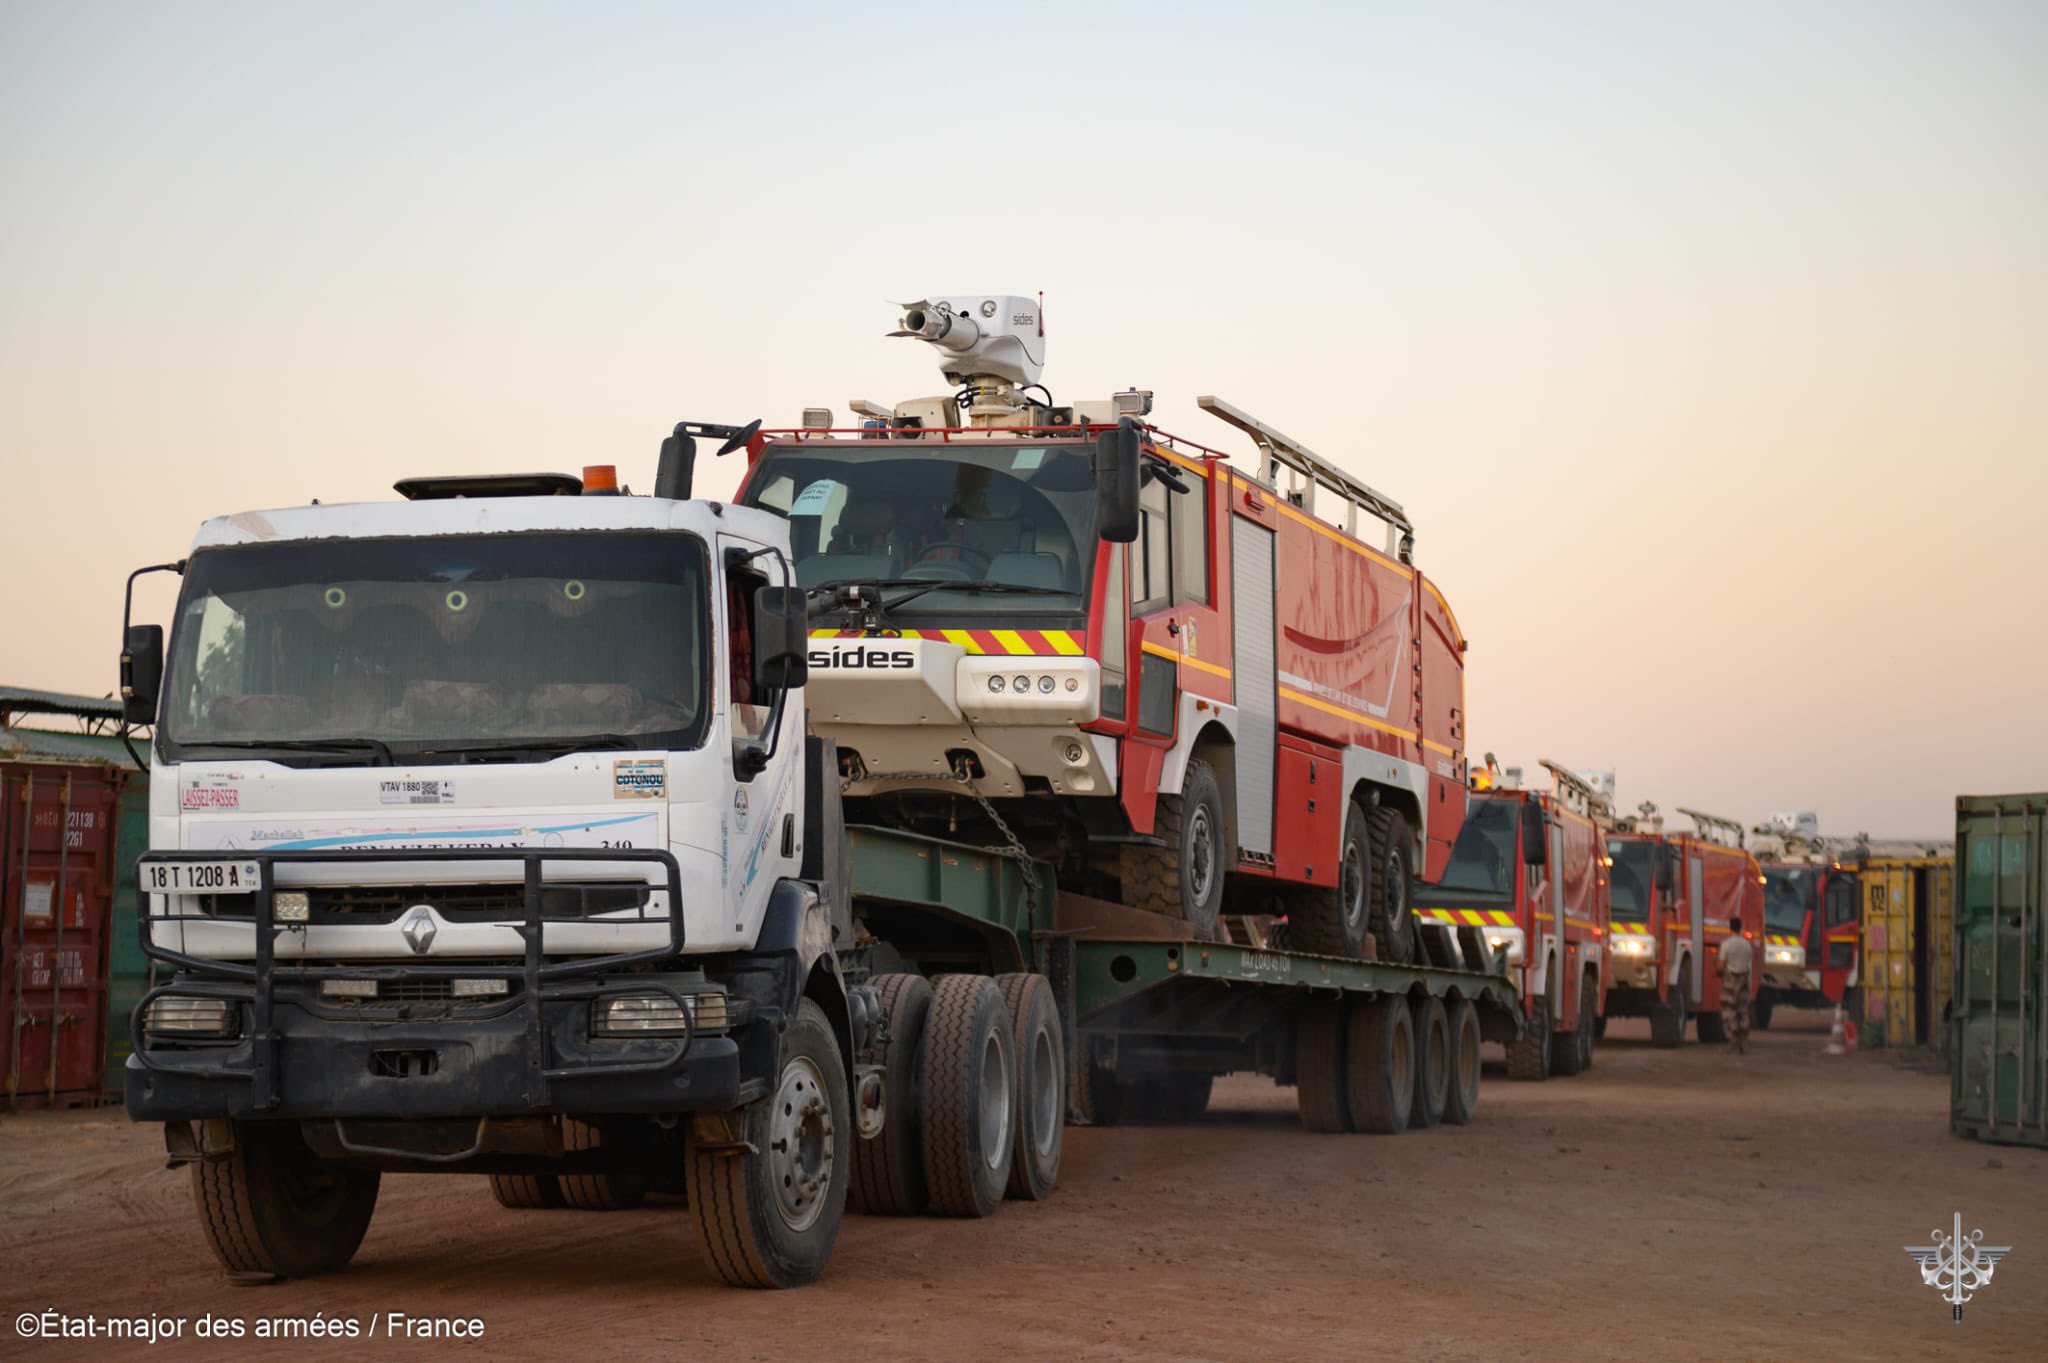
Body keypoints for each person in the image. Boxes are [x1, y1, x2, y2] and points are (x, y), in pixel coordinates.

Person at [1717, 916, 1754, 1054]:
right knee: (1743, 1010)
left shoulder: (1726, 945)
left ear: (1730, 927)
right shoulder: (1747, 945)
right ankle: (1744, 1042)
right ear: (1741, 927)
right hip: (1744, 979)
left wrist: (1719, 973)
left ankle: (1732, 1041)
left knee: (1729, 1011)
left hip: (1730, 980)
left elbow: (1721, 966)